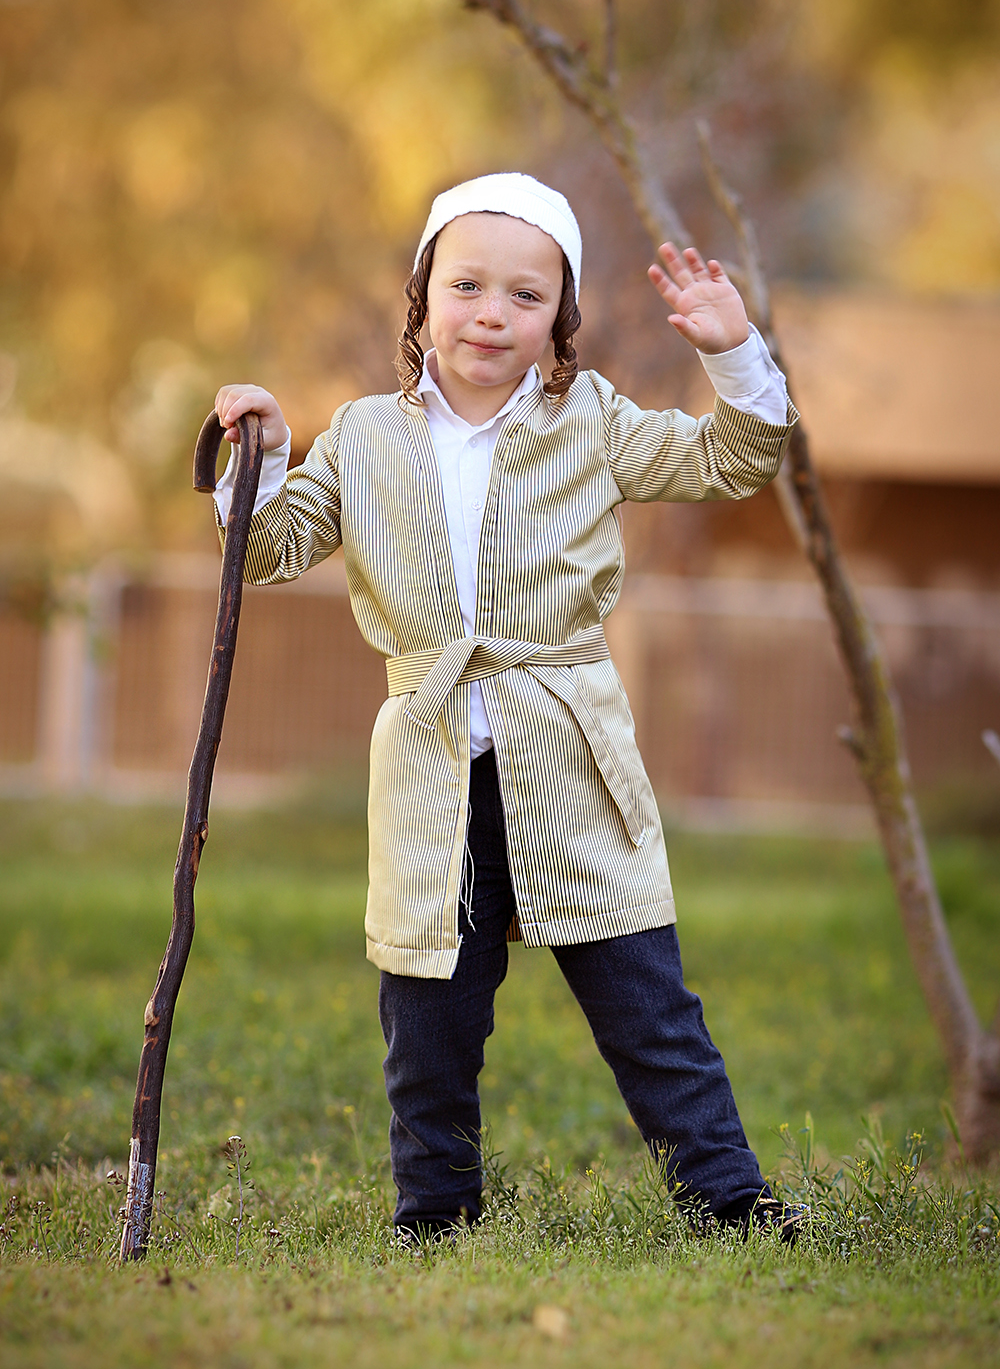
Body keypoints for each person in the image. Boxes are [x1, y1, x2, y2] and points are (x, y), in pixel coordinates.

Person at [213, 172, 798, 1241]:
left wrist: (730, 351)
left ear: (559, 319)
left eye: (526, 297)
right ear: (422, 296)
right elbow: (267, 550)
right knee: (428, 1017)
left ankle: (730, 1201)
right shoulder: (364, 436)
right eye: (468, 285)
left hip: (566, 753)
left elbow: (733, 460)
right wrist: (262, 454)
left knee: (647, 1003)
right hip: (434, 763)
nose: (492, 312)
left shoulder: (593, 419)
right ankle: (434, 1214)